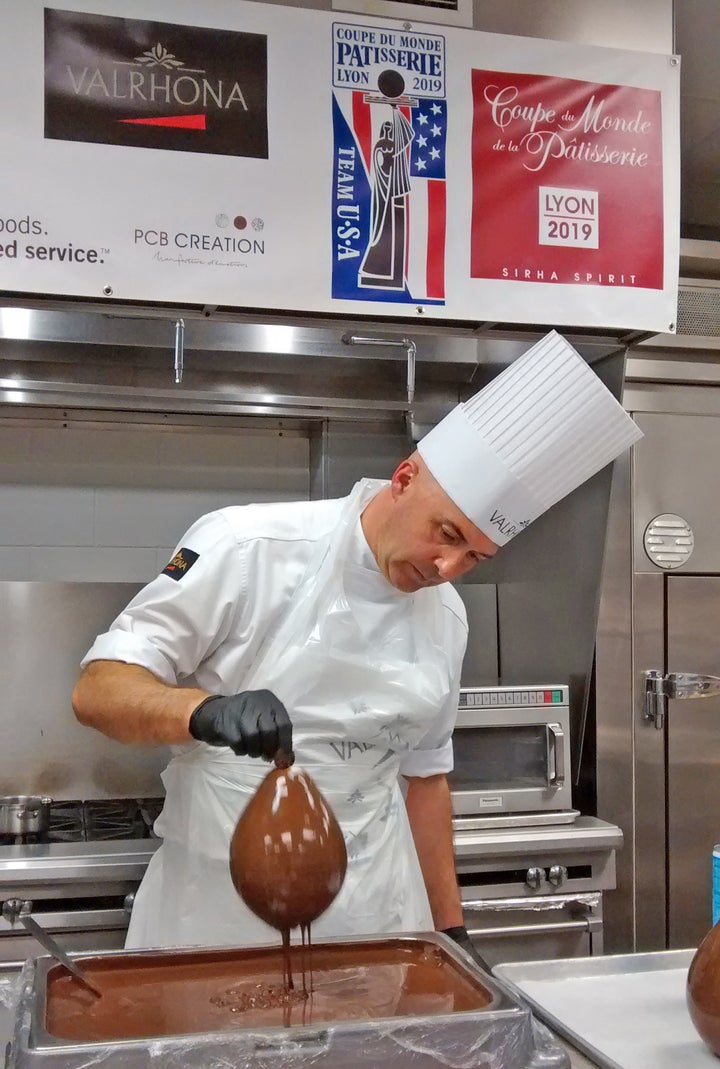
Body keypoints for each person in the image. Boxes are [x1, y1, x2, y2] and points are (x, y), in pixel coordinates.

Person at [72, 330, 641, 959]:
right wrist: (203, 714)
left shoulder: (446, 616)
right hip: (216, 909)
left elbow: (425, 780)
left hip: (375, 913)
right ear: (403, 477)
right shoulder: (247, 547)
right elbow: (98, 689)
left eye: (474, 555)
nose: (448, 566)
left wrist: (451, 931)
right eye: (445, 532)